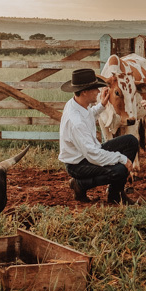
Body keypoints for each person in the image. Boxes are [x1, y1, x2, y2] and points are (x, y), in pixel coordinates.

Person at [59, 68, 138, 204]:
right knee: (119, 170)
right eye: (95, 88)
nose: (98, 91)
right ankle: (80, 184)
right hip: (78, 164)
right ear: (85, 92)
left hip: (88, 153)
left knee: (131, 141)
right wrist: (122, 158)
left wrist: (102, 105)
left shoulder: (77, 104)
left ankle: (115, 194)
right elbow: (93, 154)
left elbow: (88, 116)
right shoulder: (75, 121)